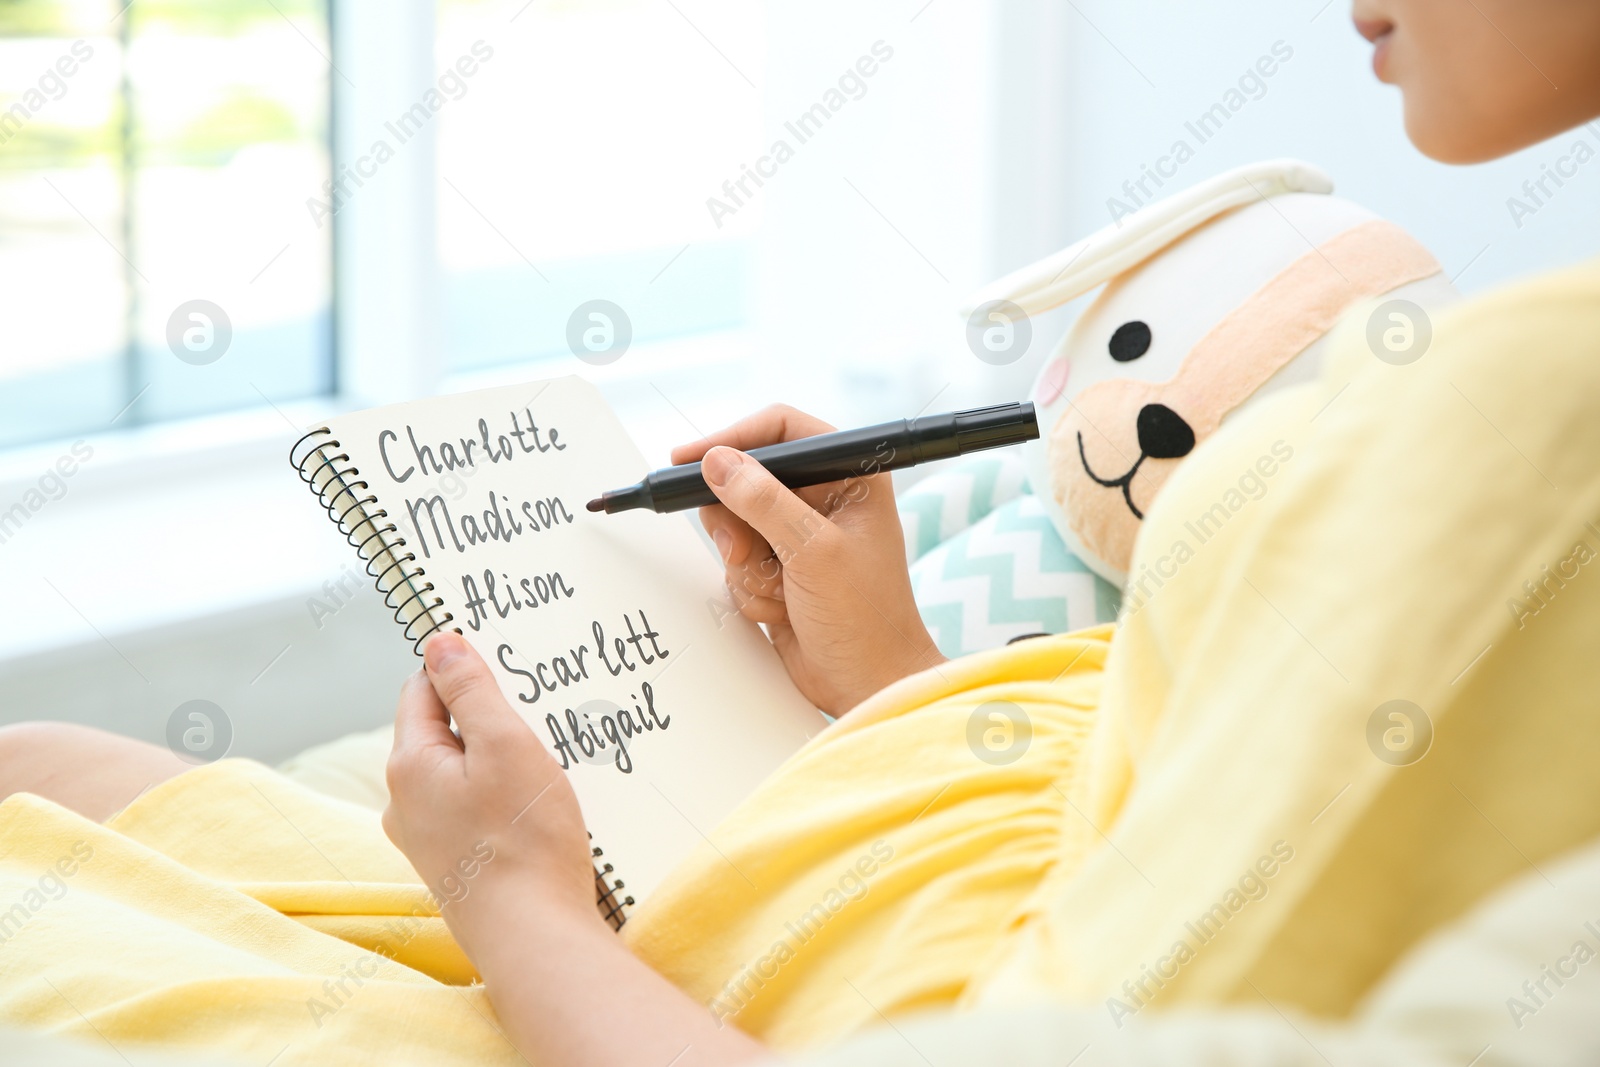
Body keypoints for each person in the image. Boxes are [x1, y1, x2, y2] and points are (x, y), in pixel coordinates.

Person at [4, 2, 1600, 1064]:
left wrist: (513, 898)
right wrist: (894, 674)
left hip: (785, 973)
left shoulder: (1535, 418)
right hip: (874, 831)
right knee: (42, 765)